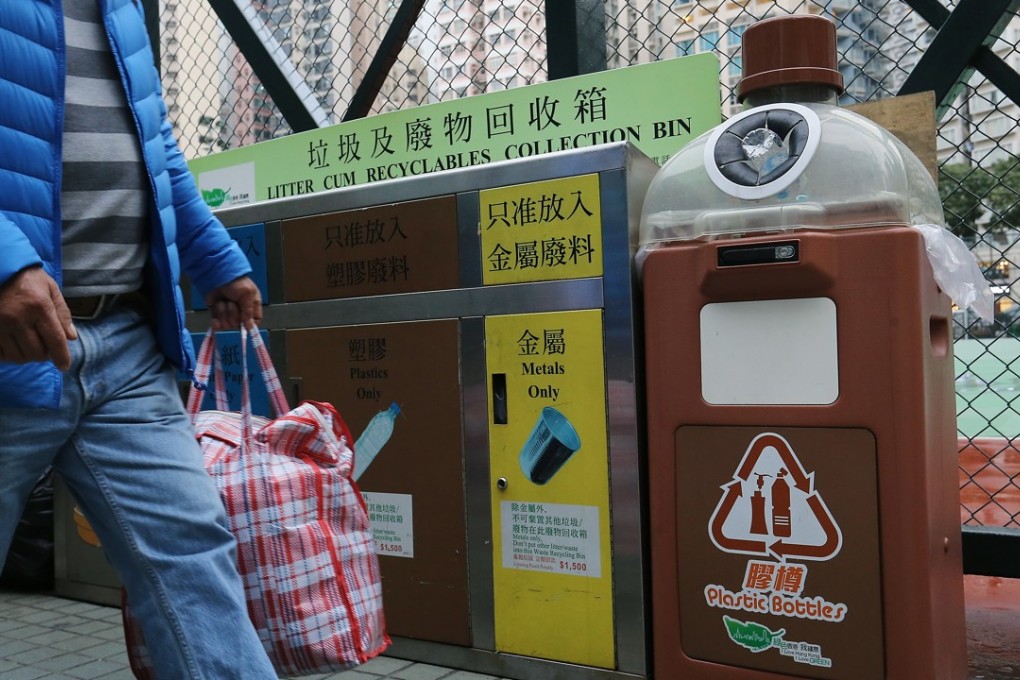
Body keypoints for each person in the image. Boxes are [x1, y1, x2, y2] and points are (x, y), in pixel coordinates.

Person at [0, 1, 278, 677]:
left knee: (193, 550)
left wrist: (216, 259)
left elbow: (156, 146)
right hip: (12, 344)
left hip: (126, 344)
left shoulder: (120, 10)